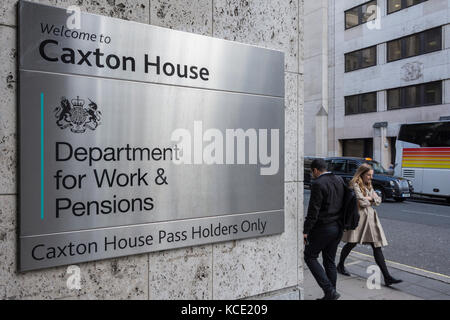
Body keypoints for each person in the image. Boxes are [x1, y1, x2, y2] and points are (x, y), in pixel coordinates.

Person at [337, 163, 402, 286]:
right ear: (361, 174)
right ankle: (340, 265)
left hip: (370, 218)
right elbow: (362, 202)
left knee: (376, 246)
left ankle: (387, 277)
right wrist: (371, 198)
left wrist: (370, 198)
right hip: (358, 218)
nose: (371, 178)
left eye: (372, 175)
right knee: (351, 243)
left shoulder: (368, 184)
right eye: (368, 175)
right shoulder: (354, 184)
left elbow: (379, 200)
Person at [304, 158, 345, 300]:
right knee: (329, 261)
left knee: (310, 256)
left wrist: (306, 231)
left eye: (312, 172)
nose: (312, 174)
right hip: (338, 227)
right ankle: (331, 294)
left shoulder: (318, 183)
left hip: (324, 228)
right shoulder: (339, 179)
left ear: (315, 170)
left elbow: (313, 211)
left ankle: (329, 290)